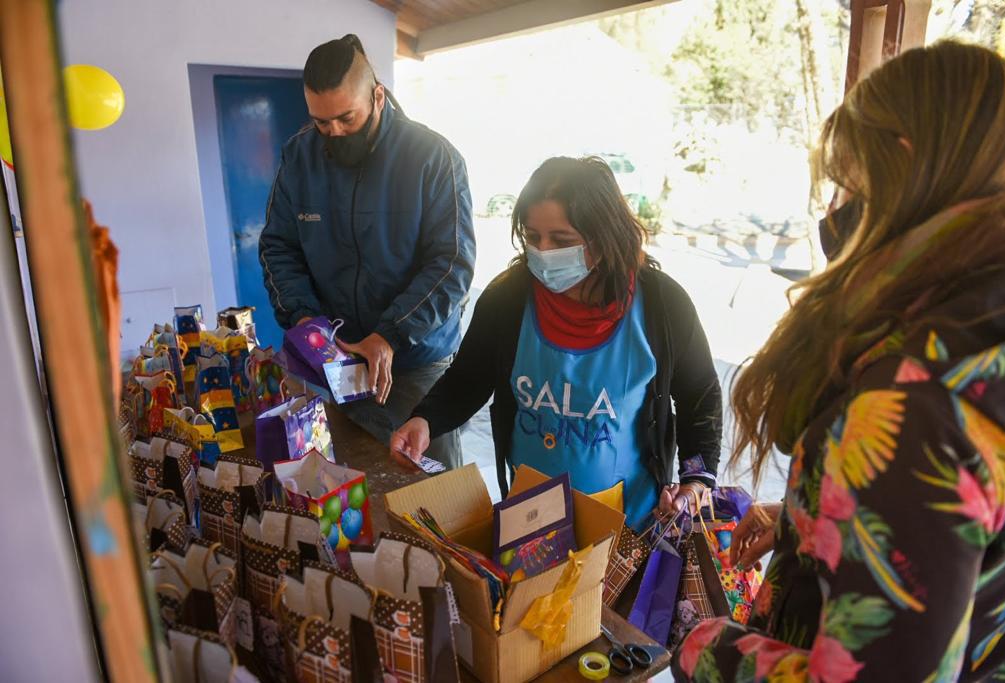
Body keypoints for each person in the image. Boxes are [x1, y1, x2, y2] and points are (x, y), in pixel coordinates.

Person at [675, 41, 1005, 682]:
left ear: (903, 163)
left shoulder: (914, 403)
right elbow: (966, 547)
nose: (834, 210)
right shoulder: (992, 334)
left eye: (845, 180)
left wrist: (709, 651)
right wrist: (819, 522)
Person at [390, 156, 722, 531]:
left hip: (629, 523)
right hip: (529, 518)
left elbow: (700, 395)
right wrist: (426, 419)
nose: (543, 252)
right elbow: (469, 378)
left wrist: (697, 479)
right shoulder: (508, 299)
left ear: (603, 238)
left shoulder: (662, 305)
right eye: (533, 237)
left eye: (561, 240)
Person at [259, 35, 475, 468]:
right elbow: (278, 246)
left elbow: (452, 264)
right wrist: (307, 324)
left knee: (430, 492)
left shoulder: (433, 158)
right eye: (321, 122)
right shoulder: (299, 155)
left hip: (415, 364)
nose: (333, 132)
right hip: (336, 365)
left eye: (346, 118)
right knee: (353, 479)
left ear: (378, 97)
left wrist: (390, 334)